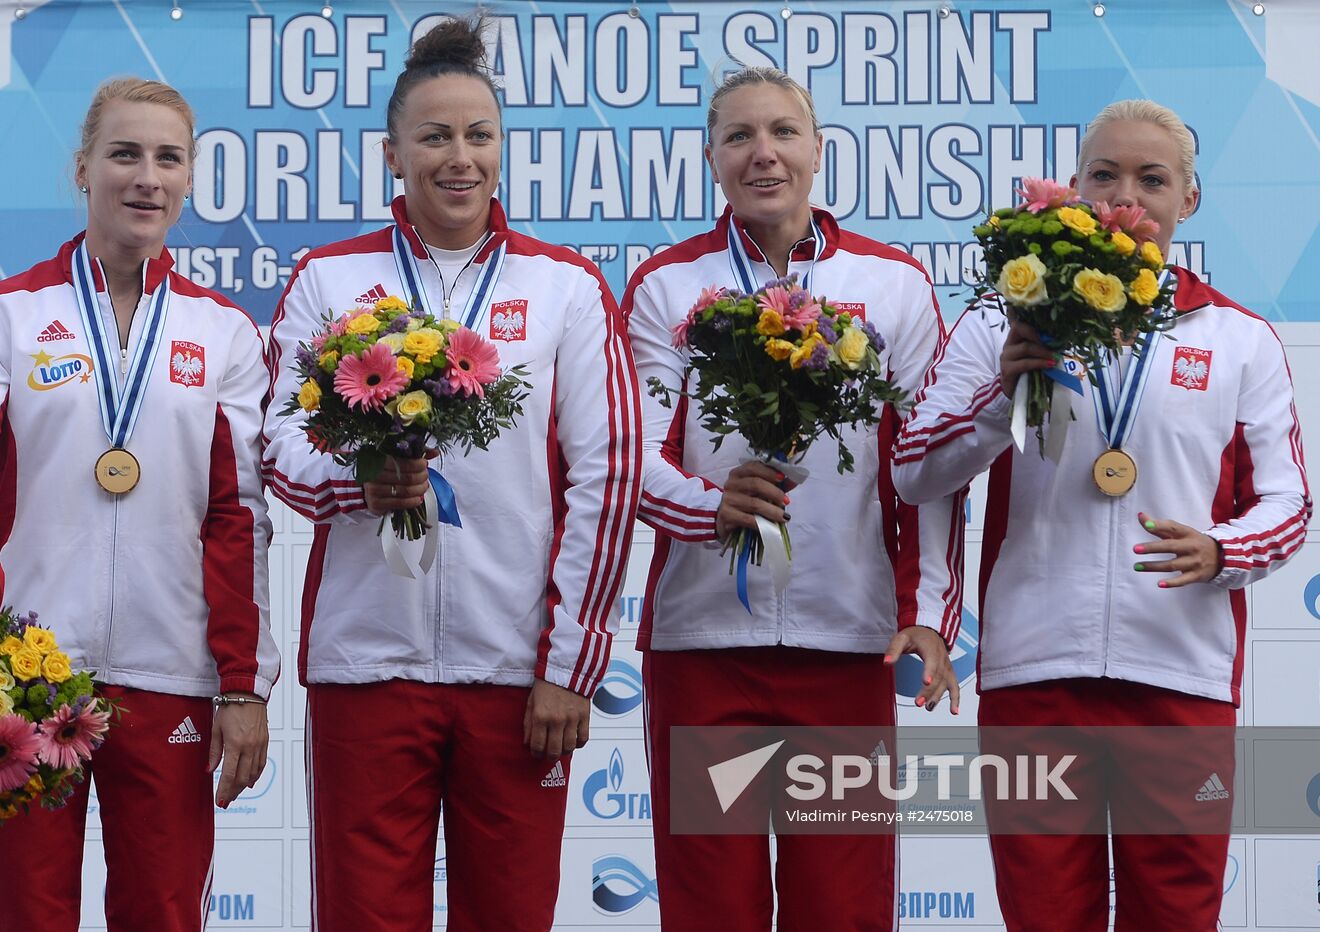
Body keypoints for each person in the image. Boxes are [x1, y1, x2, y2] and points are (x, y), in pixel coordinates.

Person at [892, 99, 1310, 930]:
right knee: (1044, 915)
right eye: (1104, 176)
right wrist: (998, 396)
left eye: (1152, 180)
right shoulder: (999, 319)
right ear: (1074, 191)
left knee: (1178, 915)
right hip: (1034, 676)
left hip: (1180, 680)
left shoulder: (1238, 337)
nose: (1127, 199)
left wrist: (1222, 550)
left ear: (1189, 200)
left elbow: (1289, 503)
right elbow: (914, 472)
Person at [261, 18, 640, 931]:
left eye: (478, 136)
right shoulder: (328, 278)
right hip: (367, 667)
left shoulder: (565, 286)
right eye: (434, 137)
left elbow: (609, 475)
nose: (458, 158)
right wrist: (361, 483)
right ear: (394, 154)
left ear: (503, 149)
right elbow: (275, 443)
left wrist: (571, 664)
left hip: (517, 675)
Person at [0, 77, 278, 931]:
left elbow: (241, 519)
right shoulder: (3, 317)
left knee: (162, 912)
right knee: (28, 915)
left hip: (170, 677)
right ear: (82, 169)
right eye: (124, 154)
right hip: (29, 683)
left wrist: (243, 684)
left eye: (168, 157)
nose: (146, 177)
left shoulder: (225, 333)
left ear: (190, 179)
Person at [623, 65, 964, 931]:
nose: (762, 153)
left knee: (842, 907)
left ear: (818, 150)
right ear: (711, 158)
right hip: (704, 648)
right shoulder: (667, 285)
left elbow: (923, 466)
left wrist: (928, 609)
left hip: (850, 642)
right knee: (711, 908)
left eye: (782, 132)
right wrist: (711, 506)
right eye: (739, 137)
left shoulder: (892, 284)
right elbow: (633, 455)